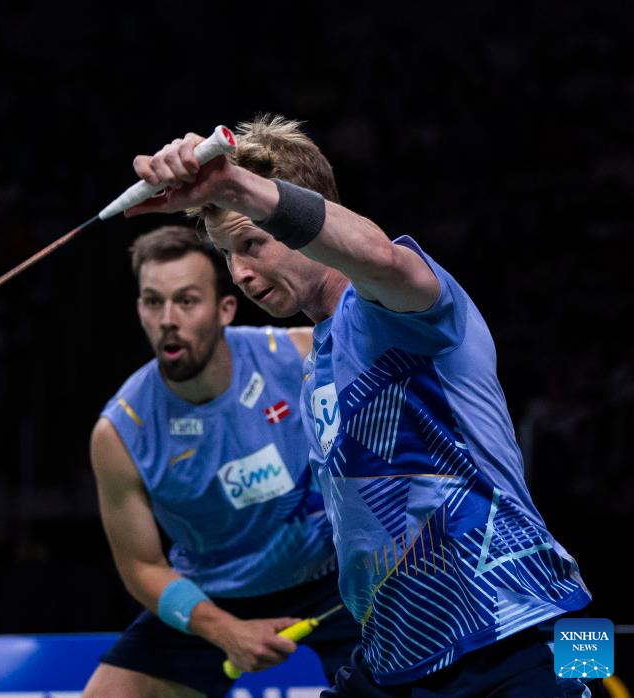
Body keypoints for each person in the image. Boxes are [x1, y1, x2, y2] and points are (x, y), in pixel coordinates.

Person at [124, 117, 593, 697]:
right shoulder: (316, 358)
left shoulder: (396, 309)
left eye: (252, 243)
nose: (239, 273)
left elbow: (378, 256)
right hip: (398, 657)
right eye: (227, 253)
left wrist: (234, 184)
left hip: (519, 631)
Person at [83, 225, 359, 697]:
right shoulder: (121, 432)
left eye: (187, 301)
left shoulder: (300, 357)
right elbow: (142, 566)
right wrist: (226, 630)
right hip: (214, 594)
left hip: (333, 576)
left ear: (225, 309)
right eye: (153, 302)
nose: (168, 319)